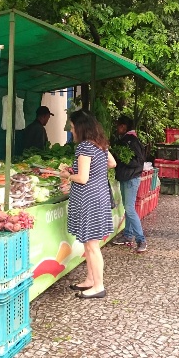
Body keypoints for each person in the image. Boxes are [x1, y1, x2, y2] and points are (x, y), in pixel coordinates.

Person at [59, 110, 116, 300]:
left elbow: (82, 178)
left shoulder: (84, 147)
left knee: (92, 246)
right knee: (89, 243)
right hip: (99, 197)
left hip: (88, 200)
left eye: (73, 127)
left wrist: (67, 175)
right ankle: (91, 279)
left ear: (81, 128)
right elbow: (113, 163)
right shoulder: (100, 145)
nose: (72, 131)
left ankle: (99, 286)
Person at [111, 115, 148, 252]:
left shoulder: (131, 141)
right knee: (128, 208)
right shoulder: (125, 140)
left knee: (130, 209)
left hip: (131, 179)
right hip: (126, 178)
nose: (117, 128)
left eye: (118, 126)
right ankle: (127, 235)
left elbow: (138, 162)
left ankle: (141, 240)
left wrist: (122, 158)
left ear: (124, 126)